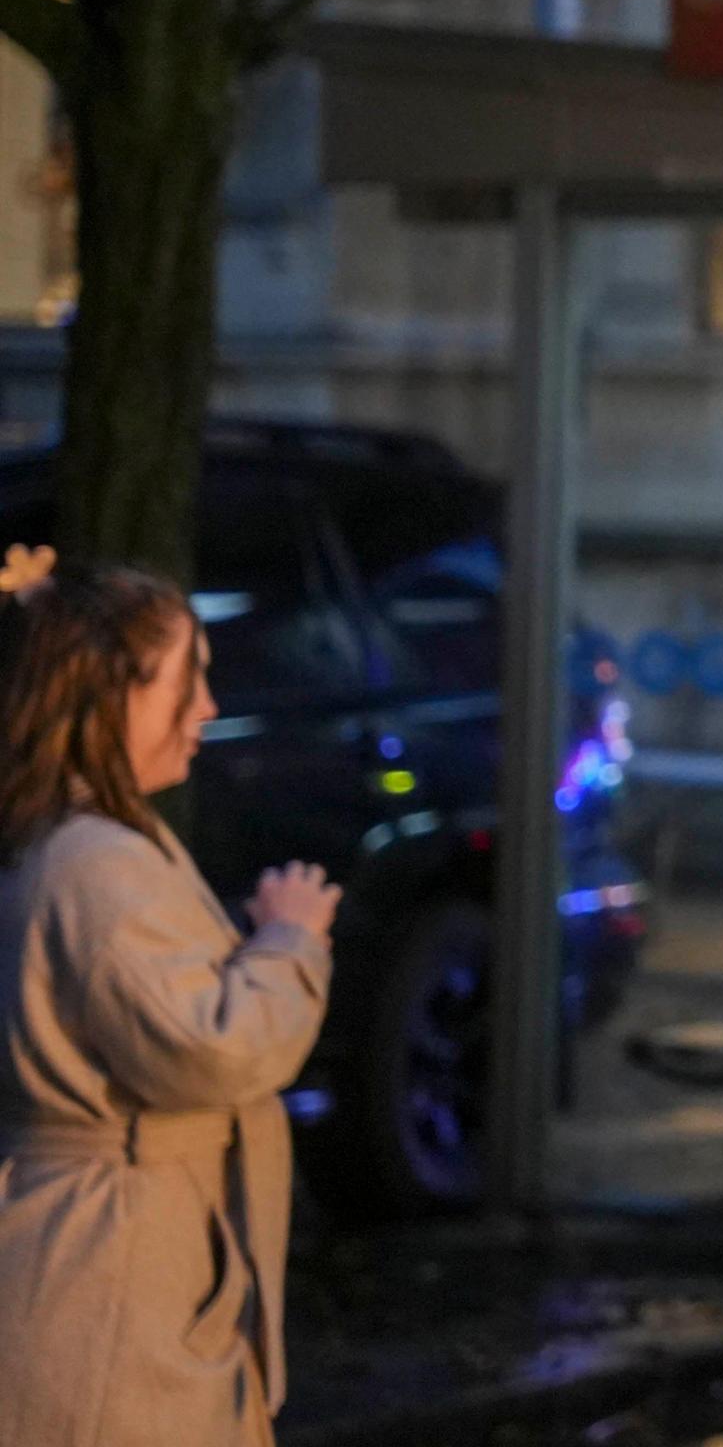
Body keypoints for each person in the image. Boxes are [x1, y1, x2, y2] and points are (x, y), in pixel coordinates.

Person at [0, 566, 338, 1447]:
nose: (207, 708)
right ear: (114, 691)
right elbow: (210, 1051)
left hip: (108, 1263)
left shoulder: (69, 840)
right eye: (188, 678)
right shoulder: (97, 863)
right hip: (112, 1280)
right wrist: (290, 939)